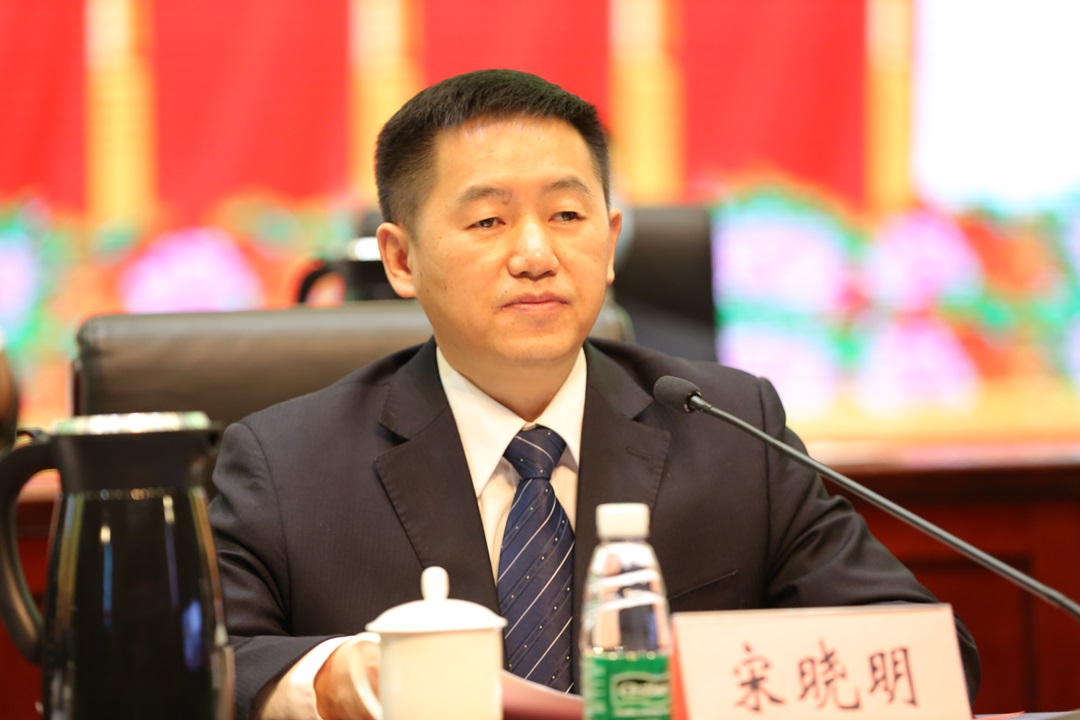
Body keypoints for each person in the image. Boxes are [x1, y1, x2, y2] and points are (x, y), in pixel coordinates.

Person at [209, 69, 980, 720]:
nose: (536, 253)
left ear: (609, 241)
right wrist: (328, 679)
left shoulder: (733, 432)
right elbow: (195, 674)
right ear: (401, 260)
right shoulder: (285, 465)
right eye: (488, 220)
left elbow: (922, 652)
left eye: (567, 215)